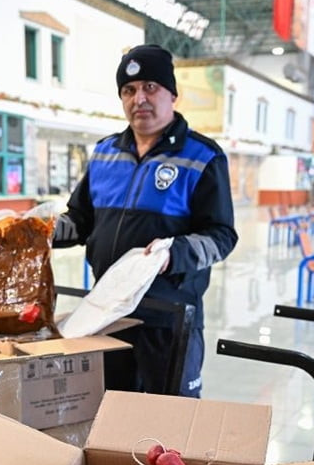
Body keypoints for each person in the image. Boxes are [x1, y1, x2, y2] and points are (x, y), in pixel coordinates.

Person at [52, 44, 237, 398]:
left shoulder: (202, 156)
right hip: (108, 314)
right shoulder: (105, 153)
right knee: (110, 412)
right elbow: (80, 220)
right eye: (129, 90)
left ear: (172, 95)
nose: (139, 98)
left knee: (172, 417)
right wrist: (38, 232)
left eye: (150, 87)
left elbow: (221, 236)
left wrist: (173, 253)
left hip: (168, 318)